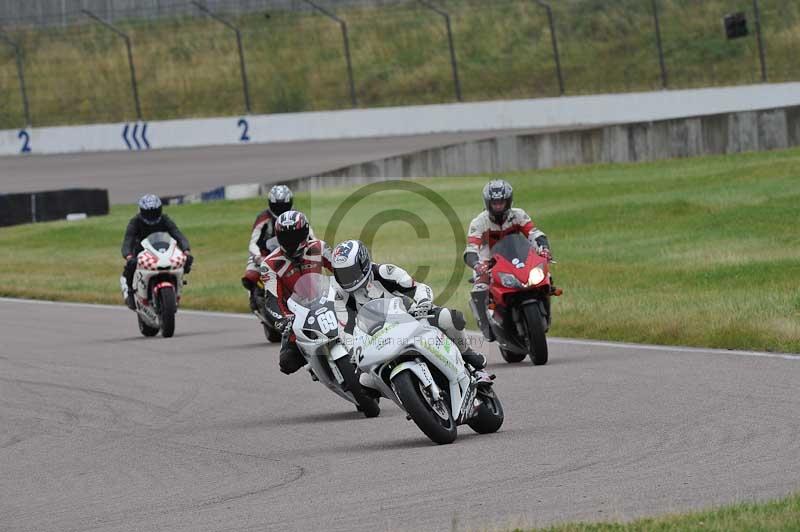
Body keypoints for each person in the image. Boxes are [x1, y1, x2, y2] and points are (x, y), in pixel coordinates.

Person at [330, 239, 489, 380]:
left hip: (410, 318)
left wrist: (424, 302)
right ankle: (405, 396)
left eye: (350, 272)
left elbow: (417, 287)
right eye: (342, 274)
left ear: (363, 263)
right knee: (364, 380)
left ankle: (466, 354)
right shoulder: (340, 295)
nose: (347, 279)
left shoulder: (384, 272)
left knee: (451, 318)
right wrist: (352, 350)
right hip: (375, 337)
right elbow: (345, 328)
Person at [463, 179, 552, 334]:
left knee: (545, 274)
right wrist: (477, 264)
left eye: (501, 202)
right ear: (488, 203)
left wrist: (543, 248)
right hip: (488, 261)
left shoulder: (519, 215)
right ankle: (487, 326)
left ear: (508, 201)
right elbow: (471, 248)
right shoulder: (479, 222)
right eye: (494, 203)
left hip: (517, 256)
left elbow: (534, 233)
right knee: (480, 288)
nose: (498, 206)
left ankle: (544, 305)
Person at [259, 210, 333, 375]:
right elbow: (272, 300)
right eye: (286, 237)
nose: (291, 241)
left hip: (328, 304)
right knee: (287, 363)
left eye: (296, 235)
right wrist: (283, 322)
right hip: (298, 317)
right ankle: (315, 366)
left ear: (305, 232)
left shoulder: (319, 247)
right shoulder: (269, 264)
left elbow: (342, 269)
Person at [121, 194, 192, 310]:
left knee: (186, 261)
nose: (151, 216)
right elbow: (127, 241)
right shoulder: (135, 222)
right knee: (131, 265)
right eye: (148, 213)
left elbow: (178, 235)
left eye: (154, 212)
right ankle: (130, 291)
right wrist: (129, 256)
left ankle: (176, 286)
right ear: (141, 211)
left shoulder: (165, 219)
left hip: (161, 249)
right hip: (141, 252)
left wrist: (186, 251)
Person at [241, 185, 294, 313]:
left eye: (283, 205)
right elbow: (253, 242)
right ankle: (253, 299)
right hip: (266, 254)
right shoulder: (264, 218)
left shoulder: (296, 216)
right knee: (250, 275)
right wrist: (258, 256)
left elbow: (311, 236)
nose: (281, 209)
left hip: (291, 254)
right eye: (277, 206)